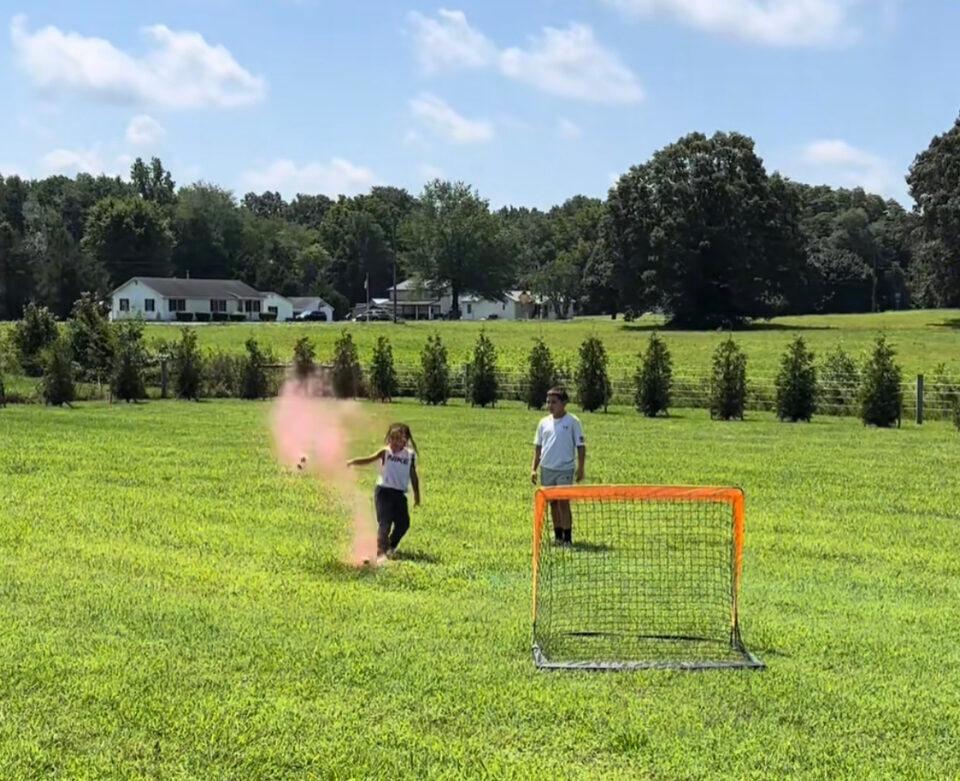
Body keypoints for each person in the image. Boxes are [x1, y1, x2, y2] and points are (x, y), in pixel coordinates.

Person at [347, 423, 421, 561]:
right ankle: (380, 552)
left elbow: (413, 476)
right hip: (383, 492)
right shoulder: (385, 452)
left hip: (399, 495)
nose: (394, 442)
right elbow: (368, 459)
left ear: (405, 441)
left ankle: (390, 546)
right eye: (392, 438)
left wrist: (417, 495)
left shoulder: (409, 456)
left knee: (404, 523)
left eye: (398, 439)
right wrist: (352, 462)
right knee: (385, 522)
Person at [531, 386, 586, 546]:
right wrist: (534, 469)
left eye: (554, 402)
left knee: (563, 501)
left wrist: (580, 467)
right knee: (553, 503)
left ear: (564, 403)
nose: (550, 405)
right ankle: (558, 535)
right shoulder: (543, 423)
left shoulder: (573, 422)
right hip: (547, 468)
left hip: (565, 469)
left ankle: (568, 538)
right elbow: (538, 447)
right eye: (548, 402)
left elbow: (581, 446)